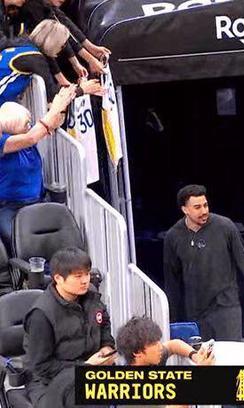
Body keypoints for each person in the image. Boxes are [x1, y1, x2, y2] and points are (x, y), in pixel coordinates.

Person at [163, 184, 244, 341]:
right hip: (196, 311)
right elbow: (172, 282)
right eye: (197, 207)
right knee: (204, 355)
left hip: (227, 307)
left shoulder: (224, 226)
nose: (204, 211)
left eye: (205, 205)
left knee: (230, 353)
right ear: (185, 209)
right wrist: (171, 320)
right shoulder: (173, 237)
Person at [23, 247, 116, 408]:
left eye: (87, 274)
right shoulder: (41, 315)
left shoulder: (91, 295)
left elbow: (103, 323)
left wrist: (106, 346)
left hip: (91, 369)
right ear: (58, 278)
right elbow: (42, 367)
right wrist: (86, 367)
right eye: (78, 276)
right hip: (51, 381)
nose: (85, 280)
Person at [0, 86, 75, 249]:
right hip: (10, 208)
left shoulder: (28, 137)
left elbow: (54, 122)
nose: (29, 125)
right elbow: (31, 137)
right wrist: (56, 107)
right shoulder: (5, 143)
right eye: (25, 124)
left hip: (38, 202)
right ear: (12, 126)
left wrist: (64, 101)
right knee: (19, 244)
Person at [0, 19, 103, 105]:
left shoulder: (21, 45)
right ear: (53, 42)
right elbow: (53, 95)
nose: (62, 48)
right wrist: (82, 90)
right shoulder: (35, 58)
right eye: (62, 45)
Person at [116, 316, 214, 366]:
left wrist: (195, 356)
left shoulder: (151, 358)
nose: (160, 346)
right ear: (137, 353)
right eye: (154, 343)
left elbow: (173, 345)